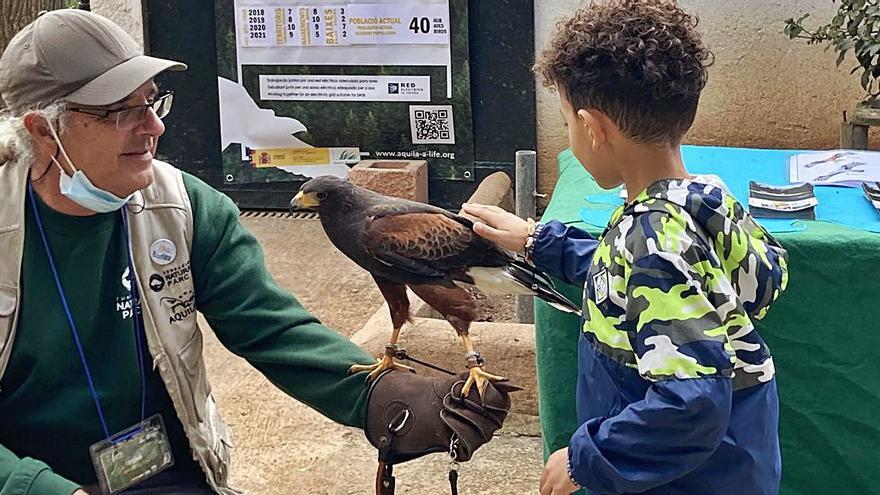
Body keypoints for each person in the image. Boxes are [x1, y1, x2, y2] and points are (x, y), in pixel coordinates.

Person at [0, 9, 515, 494]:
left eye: (151, 103)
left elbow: (269, 327)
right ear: (43, 129)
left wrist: (378, 398)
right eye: (120, 112)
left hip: (163, 472)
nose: (154, 127)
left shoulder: (185, 208)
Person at [463, 1, 790, 494]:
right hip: (736, 463)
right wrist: (536, 240)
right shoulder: (704, 199)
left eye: (569, 124)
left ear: (594, 128)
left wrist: (585, 457)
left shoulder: (652, 241)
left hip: (684, 482)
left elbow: (694, 400)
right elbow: (640, 277)